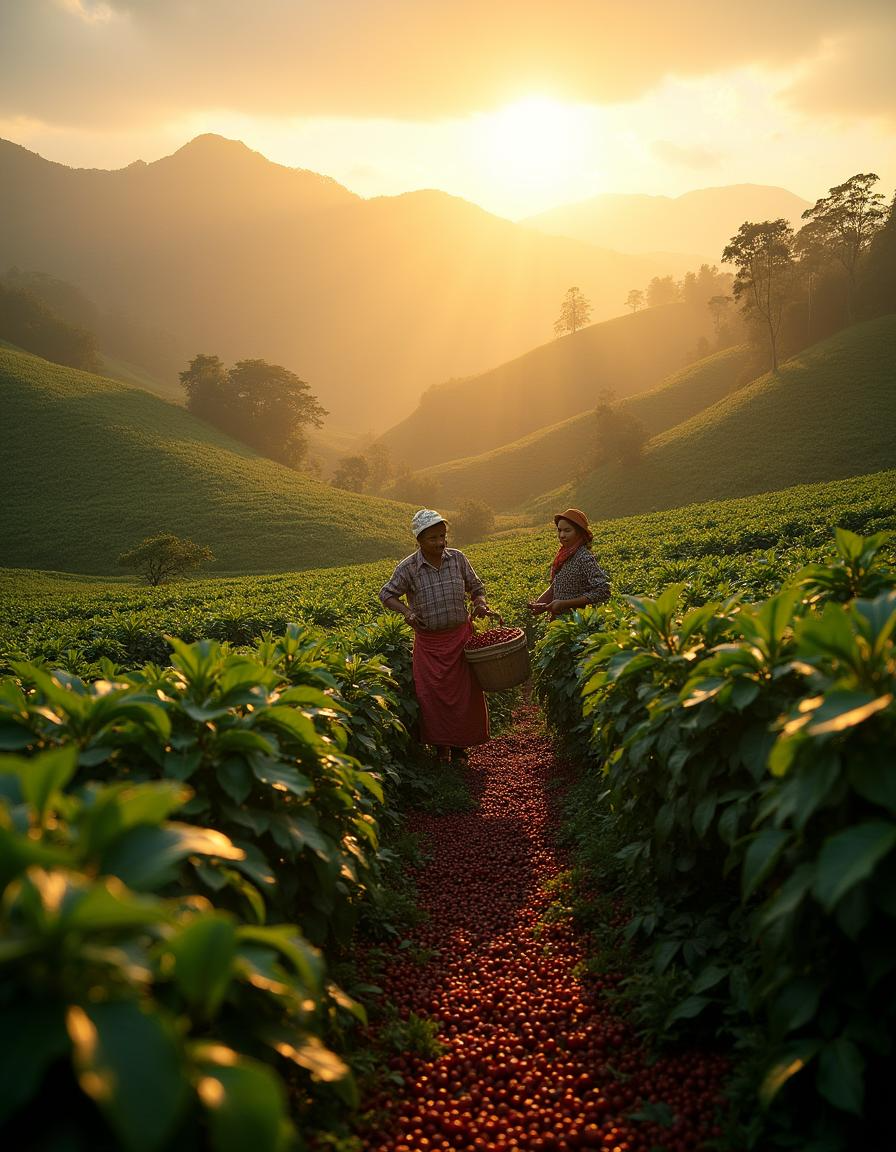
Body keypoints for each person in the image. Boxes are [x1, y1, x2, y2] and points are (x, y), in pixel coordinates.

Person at [379, 509, 495, 763]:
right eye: (432, 538)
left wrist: (480, 603)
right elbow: (386, 595)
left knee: (464, 696)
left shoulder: (458, 559)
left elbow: (476, 587)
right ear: (419, 540)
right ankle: (441, 747)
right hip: (430, 644)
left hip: (460, 639)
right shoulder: (409, 567)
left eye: (442, 536)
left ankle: (460, 748)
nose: (440, 542)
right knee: (433, 697)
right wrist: (407, 613)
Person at [527, 508, 610, 618]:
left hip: (577, 623)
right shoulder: (563, 555)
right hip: (560, 621)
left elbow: (603, 591)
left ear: (579, 533)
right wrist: (540, 603)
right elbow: (556, 585)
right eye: (559, 530)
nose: (561, 535)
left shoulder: (583, 557)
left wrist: (564, 604)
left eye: (567, 530)